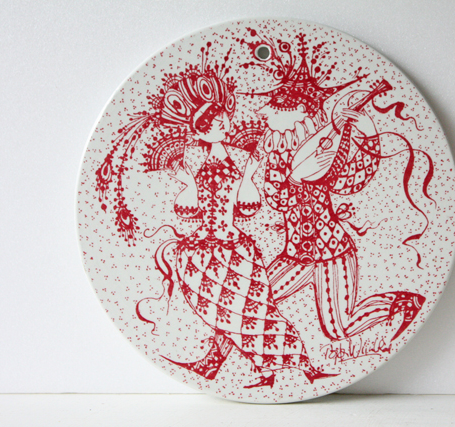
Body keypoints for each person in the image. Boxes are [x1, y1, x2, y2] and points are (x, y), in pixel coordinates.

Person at [143, 66, 336, 388]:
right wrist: (189, 183)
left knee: (258, 310)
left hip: (234, 249)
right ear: (202, 131)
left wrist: (248, 177)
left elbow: (248, 207)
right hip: (201, 252)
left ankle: (301, 366)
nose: (226, 126)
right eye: (218, 124)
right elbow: (187, 211)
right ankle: (265, 371)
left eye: (225, 122)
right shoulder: (194, 161)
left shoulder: (240, 159)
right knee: (226, 313)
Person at [240, 33, 426, 342]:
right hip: (295, 255)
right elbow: (277, 199)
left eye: (275, 107)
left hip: (333, 253)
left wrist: (368, 134)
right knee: (252, 303)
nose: (265, 113)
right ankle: (218, 357)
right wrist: (281, 175)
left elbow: (352, 180)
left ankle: (404, 303)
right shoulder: (279, 153)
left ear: (300, 112)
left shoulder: (324, 151)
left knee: (339, 329)